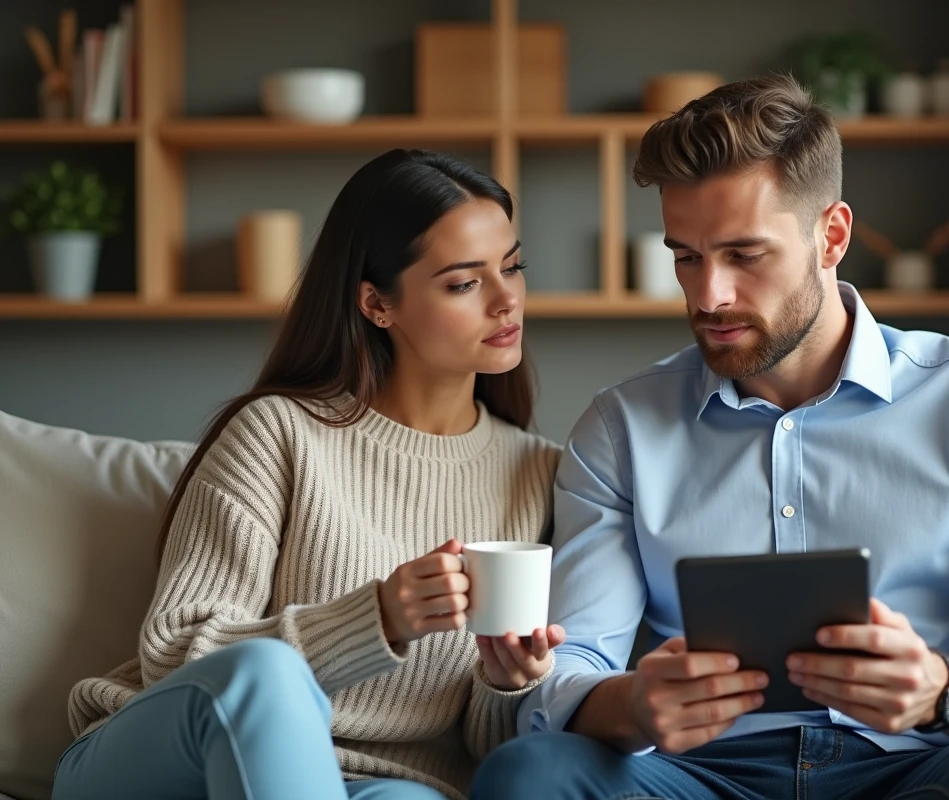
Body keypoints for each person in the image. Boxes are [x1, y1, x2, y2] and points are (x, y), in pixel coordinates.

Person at [473, 74, 949, 800]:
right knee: (529, 775)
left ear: (831, 236)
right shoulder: (621, 427)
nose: (708, 294)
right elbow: (569, 668)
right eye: (685, 256)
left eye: (745, 255)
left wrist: (945, 690)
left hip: (921, 767)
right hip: (700, 776)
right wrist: (633, 704)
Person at [52, 149, 565, 800]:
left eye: (513, 267)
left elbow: (485, 750)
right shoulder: (279, 433)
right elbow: (177, 655)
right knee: (266, 673)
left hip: (374, 784)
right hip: (165, 760)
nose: (506, 300)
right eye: (465, 283)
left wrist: (507, 682)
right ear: (377, 304)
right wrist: (376, 617)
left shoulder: (537, 472)